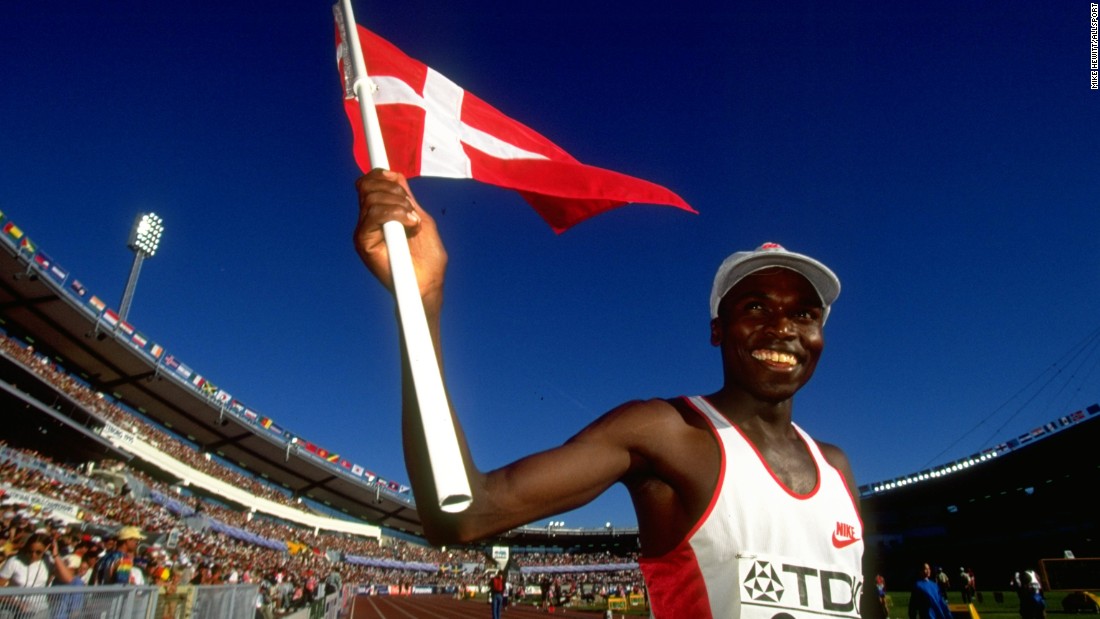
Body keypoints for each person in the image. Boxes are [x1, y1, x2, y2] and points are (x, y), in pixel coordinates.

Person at [353, 169, 863, 619]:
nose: (783, 329)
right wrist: (421, 303)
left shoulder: (837, 470)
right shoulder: (667, 434)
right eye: (755, 308)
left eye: (804, 314)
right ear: (717, 330)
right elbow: (462, 515)